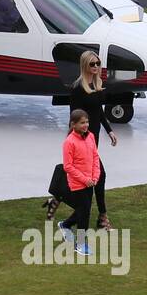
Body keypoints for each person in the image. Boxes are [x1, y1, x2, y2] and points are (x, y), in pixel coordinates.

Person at [61, 50, 118, 229]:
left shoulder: (97, 84)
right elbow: (74, 116)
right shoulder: (78, 88)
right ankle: (101, 217)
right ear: (85, 65)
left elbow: (98, 111)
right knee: (96, 177)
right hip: (83, 141)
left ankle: (78, 217)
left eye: (98, 63)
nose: (96, 67)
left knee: (93, 179)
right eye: (92, 64)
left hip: (94, 138)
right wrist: (80, 138)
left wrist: (109, 130)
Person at [59, 109, 98, 256]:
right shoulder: (69, 142)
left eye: (87, 122)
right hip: (78, 183)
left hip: (90, 182)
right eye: (82, 123)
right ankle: (80, 244)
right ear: (73, 124)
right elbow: (68, 166)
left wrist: (95, 177)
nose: (86, 125)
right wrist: (85, 179)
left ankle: (65, 225)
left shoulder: (91, 137)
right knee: (84, 214)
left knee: (84, 210)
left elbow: (95, 157)